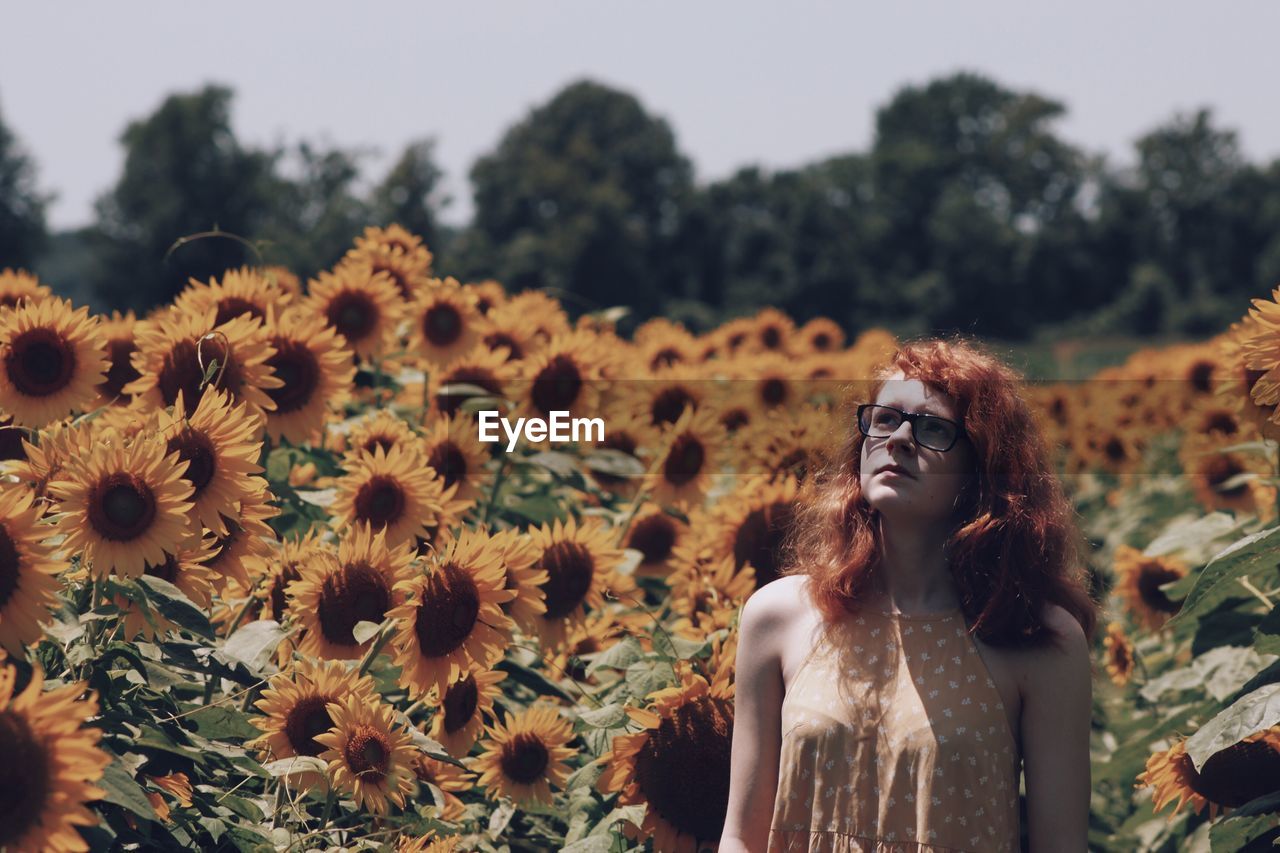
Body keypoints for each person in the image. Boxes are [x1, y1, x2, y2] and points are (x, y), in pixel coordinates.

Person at [719, 337, 1097, 852]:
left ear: (985, 467)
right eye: (883, 419)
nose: (898, 439)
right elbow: (741, 837)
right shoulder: (779, 617)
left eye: (933, 428)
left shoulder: (1037, 637)